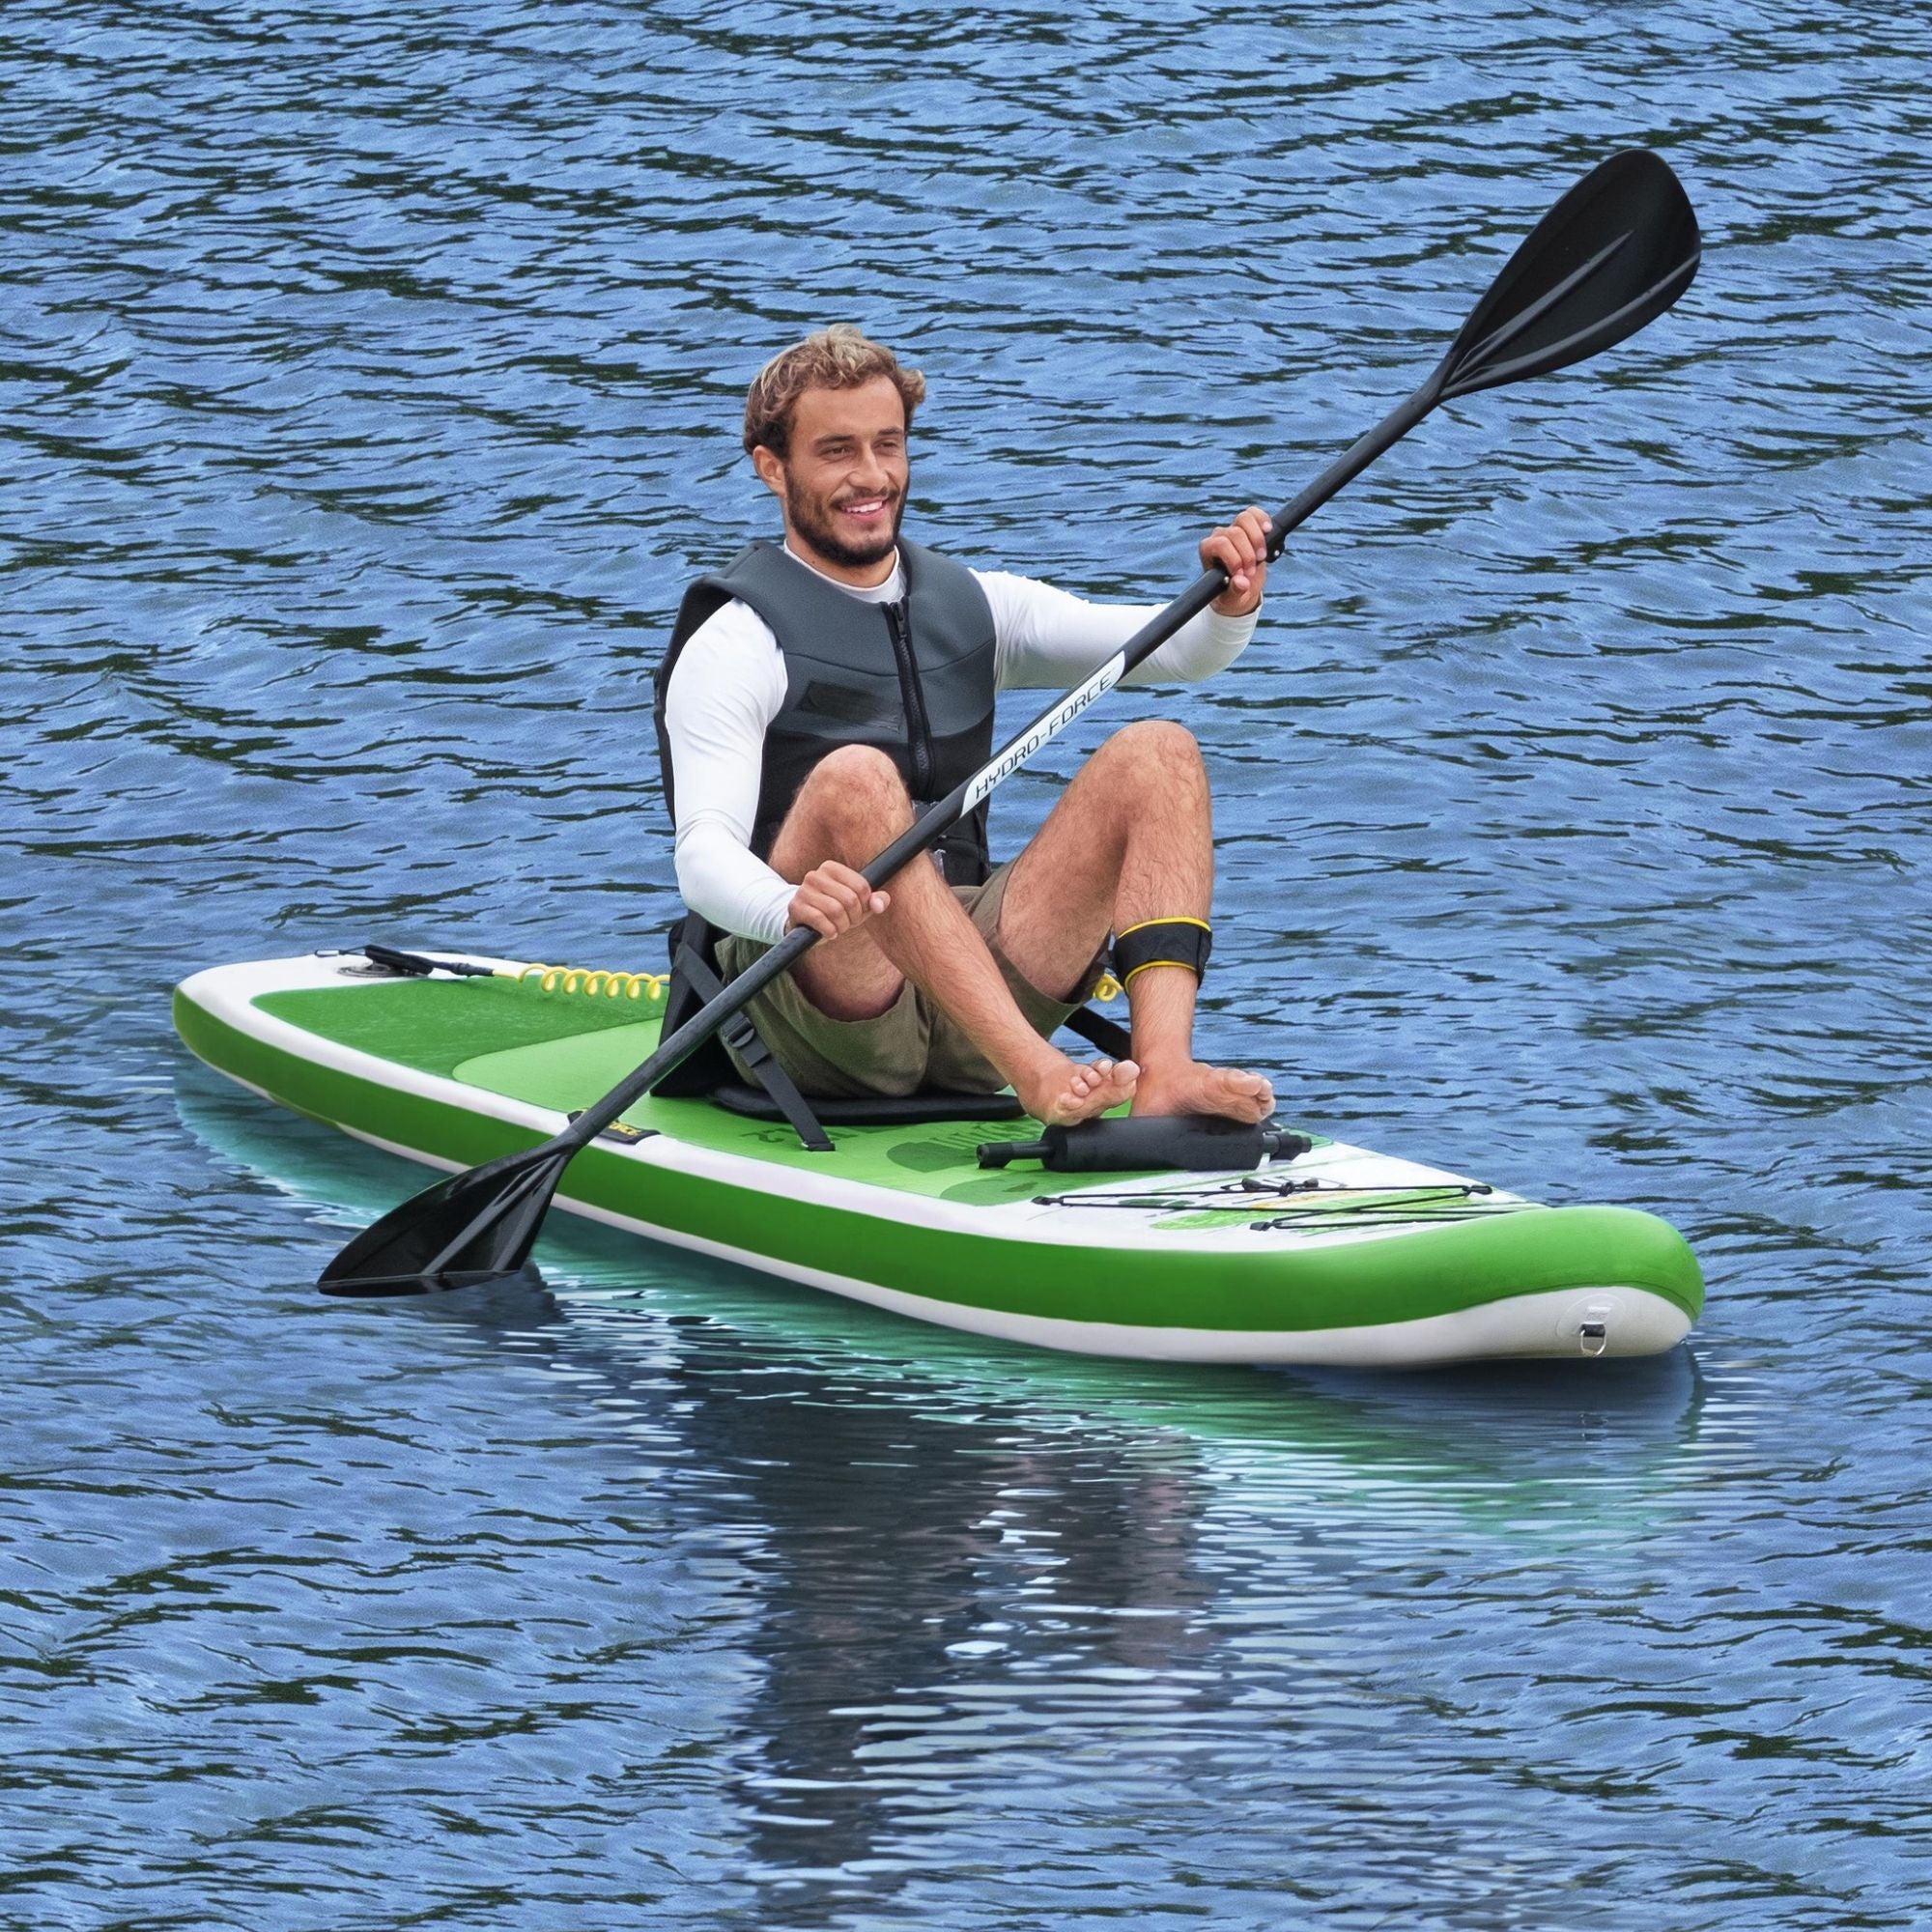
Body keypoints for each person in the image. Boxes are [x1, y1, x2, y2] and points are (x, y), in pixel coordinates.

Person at [652, 325, 1275, 1129]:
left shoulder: (978, 606)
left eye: (888, 444)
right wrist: (786, 909)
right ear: (772, 468)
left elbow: (1179, 651)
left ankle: (1166, 1073)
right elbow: (701, 857)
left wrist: (1233, 602)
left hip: (975, 993)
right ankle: (1039, 1075)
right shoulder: (737, 640)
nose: (871, 475)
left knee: (1160, 753)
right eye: (836, 451)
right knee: (857, 777)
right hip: (822, 992)